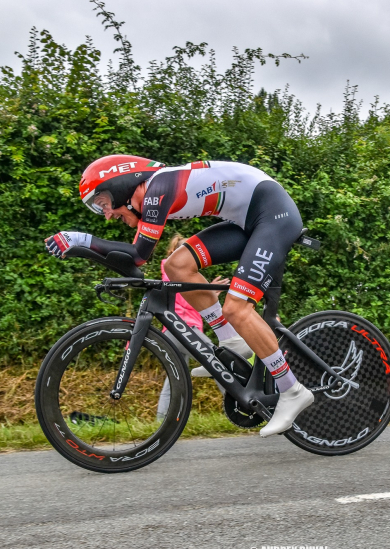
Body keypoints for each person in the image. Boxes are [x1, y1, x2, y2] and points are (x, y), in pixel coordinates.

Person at [46, 155, 313, 437]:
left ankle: (292, 389)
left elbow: (137, 256)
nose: (108, 215)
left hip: (273, 217)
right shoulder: (154, 191)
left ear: (120, 186)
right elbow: (132, 263)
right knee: (177, 265)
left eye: (103, 205)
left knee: (237, 308)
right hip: (248, 220)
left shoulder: (157, 189)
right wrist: (80, 248)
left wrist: (80, 240)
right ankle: (230, 340)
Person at [156, 233, 229, 421]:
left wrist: (210, 290)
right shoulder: (171, 269)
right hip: (183, 328)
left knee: (174, 380)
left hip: (174, 329)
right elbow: (187, 296)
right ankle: (241, 406)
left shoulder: (174, 273)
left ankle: (161, 421)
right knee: (217, 362)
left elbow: (191, 295)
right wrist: (210, 289)